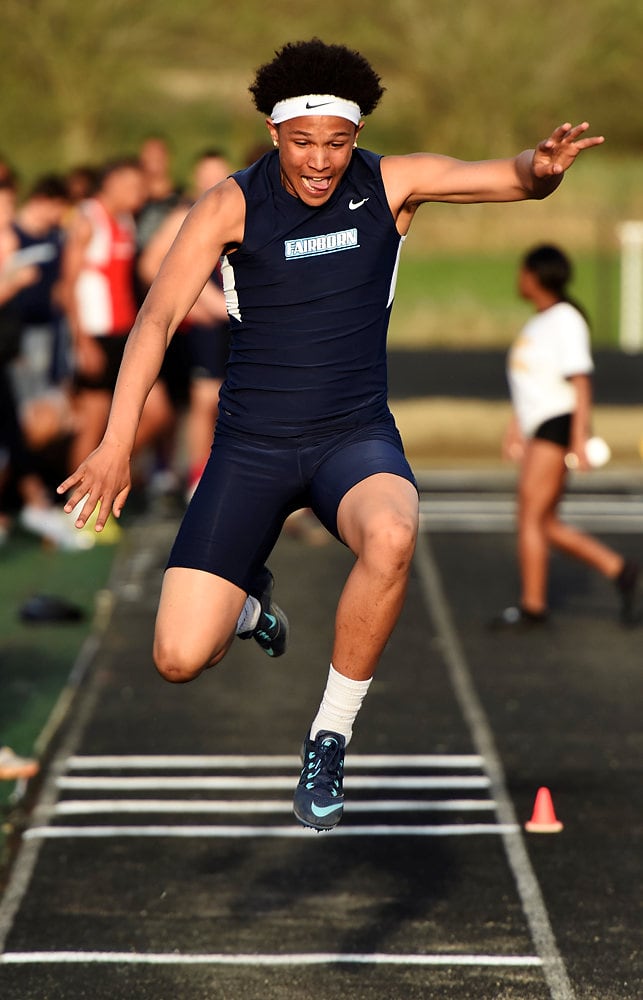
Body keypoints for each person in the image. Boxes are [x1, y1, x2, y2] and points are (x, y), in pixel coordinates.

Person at [58, 39, 605, 831]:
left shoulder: (390, 184)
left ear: (356, 137)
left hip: (351, 437)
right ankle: (250, 608)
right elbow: (155, 320)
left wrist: (540, 170)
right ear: (275, 133)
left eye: (336, 142)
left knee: (390, 532)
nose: (320, 161)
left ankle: (329, 736)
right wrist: (114, 441)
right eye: (302, 142)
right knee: (179, 657)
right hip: (249, 448)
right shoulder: (229, 205)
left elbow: (501, 176)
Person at [492, 244, 638, 629]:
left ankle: (533, 606)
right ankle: (620, 569)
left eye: (523, 271)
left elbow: (581, 383)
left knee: (530, 516)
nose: (518, 278)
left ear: (537, 276)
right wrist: (515, 429)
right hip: (539, 427)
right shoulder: (538, 321)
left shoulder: (565, 319)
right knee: (546, 522)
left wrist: (578, 439)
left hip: (556, 426)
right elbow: (529, 383)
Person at [59, 157, 172, 478]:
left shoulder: (125, 221)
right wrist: (80, 342)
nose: (141, 194)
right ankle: (78, 507)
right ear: (113, 184)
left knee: (157, 412)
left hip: (126, 333)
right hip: (95, 334)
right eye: (134, 186)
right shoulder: (86, 219)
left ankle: (100, 475)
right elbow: (67, 287)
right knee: (93, 423)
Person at [139, 149, 232, 500]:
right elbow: (150, 265)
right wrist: (196, 299)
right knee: (204, 398)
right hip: (206, 324)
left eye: (218, 176)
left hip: (237, 320)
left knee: (231, 398)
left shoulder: (238, 209)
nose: (212, 183)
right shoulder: (184, 214)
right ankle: (197, 476)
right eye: (206, 176)